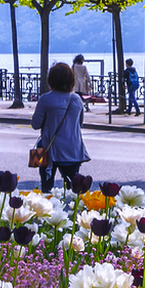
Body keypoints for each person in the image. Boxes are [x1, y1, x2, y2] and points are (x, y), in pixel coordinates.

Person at [30, 61, 90, 191]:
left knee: (47, 189)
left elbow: (35, 124)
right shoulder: (77, 99)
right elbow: (80, 124)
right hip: (73, 150)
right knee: (73, 190)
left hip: (49, 150)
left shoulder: (45, 99)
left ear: (51, 80)